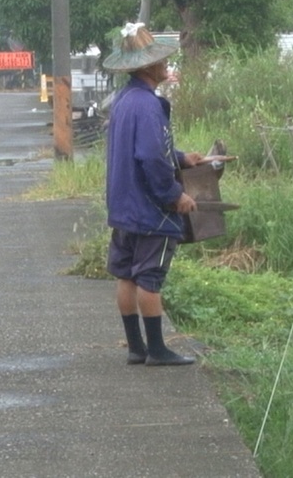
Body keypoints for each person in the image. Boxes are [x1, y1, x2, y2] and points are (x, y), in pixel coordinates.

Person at [101, 22, 205, 366]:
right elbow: (150, 157)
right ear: (149, 67)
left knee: (127, 275)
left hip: (123, 206)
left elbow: (143, 149)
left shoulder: (123, 100)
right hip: (149, 210)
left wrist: (181, 157)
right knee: (150, 277)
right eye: (161, 61)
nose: (166, 65)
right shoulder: (148, 105)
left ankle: (136, 347)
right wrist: (174, 195)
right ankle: (158, 349)